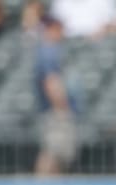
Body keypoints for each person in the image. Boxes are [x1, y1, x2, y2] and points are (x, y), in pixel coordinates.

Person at [33, 17, 77, 175]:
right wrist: (62, 107)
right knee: (52, 153)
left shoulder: (50, 50)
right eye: (59, 29)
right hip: (55, 111)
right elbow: (51, 82)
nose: (62, 34)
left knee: (58, 155)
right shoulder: (49, 51)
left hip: (55, 110)